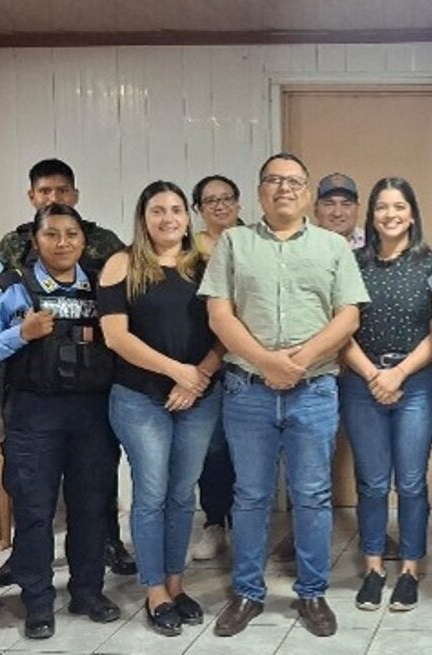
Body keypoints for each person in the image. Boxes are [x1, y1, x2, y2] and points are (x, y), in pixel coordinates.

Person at [200, 153, 369, 638]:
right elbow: (220, 316)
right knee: (251, 496)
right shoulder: (234, 243)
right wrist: (266, 361)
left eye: (294, 181)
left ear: (307, 193)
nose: (284, 189)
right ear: (260, 192)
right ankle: (248, 593)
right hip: (247, 389)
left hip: (313, 390)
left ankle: (312, 593)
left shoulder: (332, 247)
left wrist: (297, 361)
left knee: (312, 496)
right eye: (273, 180)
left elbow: (347, 317)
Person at [0, 203, 122, 640]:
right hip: (34, 411)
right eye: (52, 234)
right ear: (35, 240)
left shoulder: (102, 286)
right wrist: (21, 334)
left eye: (71, 234)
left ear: (83, 240)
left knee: (92, 505)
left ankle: (88, 591)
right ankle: (37, 601)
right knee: (34, 510)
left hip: (93, 412)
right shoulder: (12, 286)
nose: (63, 243)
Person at [0, 158, 134, 589]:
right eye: (45, 193)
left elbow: (128, 300)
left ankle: (101, 556)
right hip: (30, 391)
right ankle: (30, 574)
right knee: (31, 495)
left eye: (62, 191)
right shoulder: (12, 251)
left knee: (93, 490)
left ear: (76, 196)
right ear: (32, 199)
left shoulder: (104, 245)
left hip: (93, 391)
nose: (54, 199)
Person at [99, 181, 221, 637]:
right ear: (142, 217)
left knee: (182, 494)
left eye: (175, 210)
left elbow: (226, 330)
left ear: (188, 217)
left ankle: (176, 582)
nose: (167, 218)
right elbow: (117, 337)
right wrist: (178, 372)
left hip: (200, 398)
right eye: (157, 211)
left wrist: (199, 377)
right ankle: (154, 591)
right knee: (150, 495)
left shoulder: (208, 265)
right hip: (139, 398)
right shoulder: (122, 264)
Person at [338, 177, 432, 612]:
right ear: (371, 214)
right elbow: (339, 327)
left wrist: (397, 373)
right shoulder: (352, 263)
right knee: (373, 482)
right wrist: (372, 375)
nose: (391, 214)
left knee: (412, 482)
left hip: (416, 383)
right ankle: (375, 568)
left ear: (412, 213)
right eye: (382, 207)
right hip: (361, 383)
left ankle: (411, 570)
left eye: (399, 206)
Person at [189, 174, 245, 562]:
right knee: (211, 448)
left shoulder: (255, 240)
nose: (220, 205)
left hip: (248, 359)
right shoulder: (186, 250)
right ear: (199, 210)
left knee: (247, 447)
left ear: (239, 203)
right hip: (204, 360)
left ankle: (245, 523)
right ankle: (214, 522)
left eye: (227, 198)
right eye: (210, 201)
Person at [315, 172, 364, 249]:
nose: (337, 213)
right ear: (316, 209)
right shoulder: (302, 246)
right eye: (329, 204)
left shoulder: (374, 244)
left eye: (346, 204)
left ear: (357, 209)